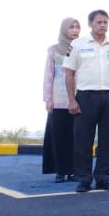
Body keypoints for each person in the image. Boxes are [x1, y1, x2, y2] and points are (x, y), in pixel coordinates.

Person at [65, 9, 109, 192]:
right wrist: (72, 100)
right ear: (90, 24)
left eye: (105, 22)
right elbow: (69, 74)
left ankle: (103, 177)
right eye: (99, 22)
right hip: (86, 96)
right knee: (83, 139)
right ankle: (84, 178)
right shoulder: (77, 45)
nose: (103, 25)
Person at [41, 17, 80, 182]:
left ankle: (74, 170)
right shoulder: (53, 50)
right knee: (58, 136)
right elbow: (48, 76)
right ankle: (60, 171)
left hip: (79, 99)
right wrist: (48, 99)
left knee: (76, 137)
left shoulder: (82, 49)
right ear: (64, 29)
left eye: (77, 27)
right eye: (71, 27)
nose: (75, 30)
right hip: (58, 100)